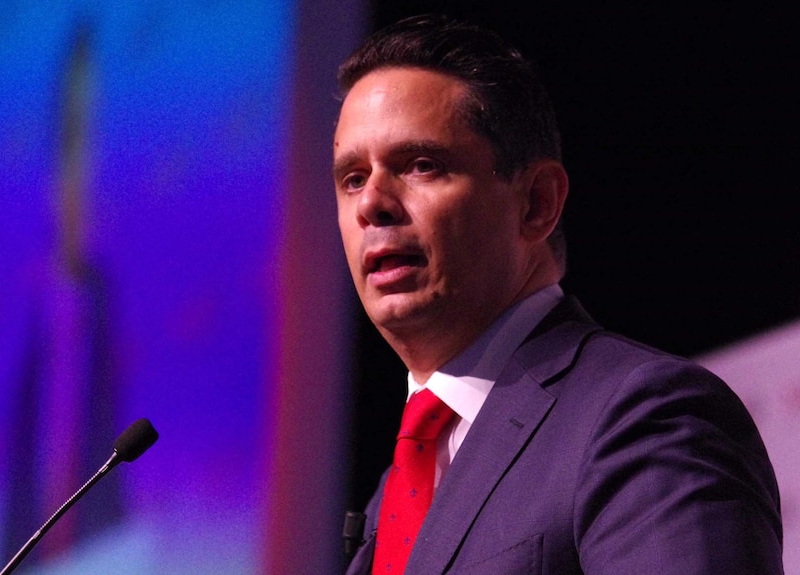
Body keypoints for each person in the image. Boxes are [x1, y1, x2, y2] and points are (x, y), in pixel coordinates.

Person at [332, 13, 783, 575]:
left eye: (421, 165)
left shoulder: (645, 417)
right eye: (352, 177)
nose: (371, 202)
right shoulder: (395, 490)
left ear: (537, 203)